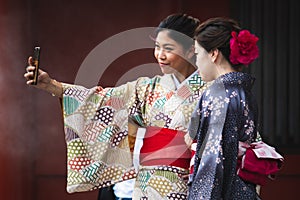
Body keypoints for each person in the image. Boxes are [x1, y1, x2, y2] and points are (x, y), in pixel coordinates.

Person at [24, 13, 208, 199]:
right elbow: (103, 100)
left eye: (168, 48)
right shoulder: (148, 88)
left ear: (191, 50)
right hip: (148, 186)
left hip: (192, 182)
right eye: (157, 47)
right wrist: (52, 86)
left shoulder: (211, 90)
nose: (159, 55)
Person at [186, 17, 262, 199]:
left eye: (198, 54)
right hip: (242, 189)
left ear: (213, 54)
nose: (196, 63)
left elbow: (212, 160)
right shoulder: (244, 91)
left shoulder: (217, 94)